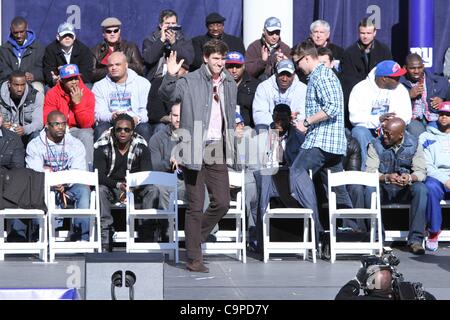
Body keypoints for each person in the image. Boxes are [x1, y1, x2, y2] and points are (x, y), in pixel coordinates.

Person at [159, 40, 237, 273]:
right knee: (195, 204)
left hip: (217, 146)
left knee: (222, 202)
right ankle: (194, 258)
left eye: (222, 59)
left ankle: (192, 241)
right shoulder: (190, 80)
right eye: (215, 58)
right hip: (193, 146)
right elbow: (167, 94)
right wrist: (170, 75)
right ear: (205, 58)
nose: (219, 63)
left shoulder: (229, 82)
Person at [290, 41, 353, 215]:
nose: (297, 67)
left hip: (322, 141)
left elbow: (332, 108)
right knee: (338, 190)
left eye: (297, 62)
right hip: (331, 144)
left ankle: (313, 227)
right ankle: (353, 230)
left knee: (297, 172)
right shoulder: (321, 76)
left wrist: (306, 122)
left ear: (308, 58)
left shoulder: (322, 76)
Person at [24, 110, 91, 242]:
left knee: (83, 190)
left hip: (69, 185)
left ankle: (82, 236)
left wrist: (64, 183)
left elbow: (78, 171)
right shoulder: (35, 145)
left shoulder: (75, 144)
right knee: (35, 190)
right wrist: (53, 183)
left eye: (63, 124)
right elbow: (35, 172)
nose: (61, 127)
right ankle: (41, 233)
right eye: (56, 124)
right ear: (47, 125)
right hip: (44, 186)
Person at [366, 117, 427, 254]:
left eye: (389, 133)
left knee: (421, 189)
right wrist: (386, 177)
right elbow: (370, 173)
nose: (385, 135)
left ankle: (416, 240)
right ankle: (377, 240)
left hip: (405, 188)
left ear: (401, 135)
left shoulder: (414, 144)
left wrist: (410, 177)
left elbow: (421, 171)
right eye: (384, 132)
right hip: (384, 186)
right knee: (370, 191)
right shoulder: (375, 144)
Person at [94, 113, 152, 252]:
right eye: (119, 129)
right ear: (113, 130)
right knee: (100, 190)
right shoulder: (102, 146)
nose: (123, 132)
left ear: (133, 132)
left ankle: (147, 234)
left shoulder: (141, 146)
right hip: (112, 186)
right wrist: (118, 185)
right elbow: (98, 176)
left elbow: (147, 174)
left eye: (127, 130)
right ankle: (105, 236)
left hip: (135, 186)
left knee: (152, 189)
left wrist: (133, 186)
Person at [349, 60, 411, 169]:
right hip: (369, 130)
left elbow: (406, 115)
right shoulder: (360, 89)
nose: (399, 80)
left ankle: (402, 171)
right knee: (358, 132)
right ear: (384, 78)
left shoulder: (400, 89)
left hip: (392, 129)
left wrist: (391, 123)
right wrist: (378, 120)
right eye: (396, 77)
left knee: (409, 130)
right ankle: (366, 173)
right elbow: (355, 117)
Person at [340, 17, 392, 126]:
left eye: (368, 33)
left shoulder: (384, 50)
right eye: (362, 33)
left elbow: (390, 74)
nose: (365, 36)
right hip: (359, 96)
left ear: (375, 33)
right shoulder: (349, 53)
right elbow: (348, 80)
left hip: (381, 96)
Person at [92, 51, 151, 142]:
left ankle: (143, 155)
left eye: (117, 64)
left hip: (135, 121)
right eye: (110, 65)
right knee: (101, 129)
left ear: (126, 65)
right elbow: (98, 113)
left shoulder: (142, 83)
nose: (114, 68)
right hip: (111, 122)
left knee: (144, 128)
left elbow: (145, 111)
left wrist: (136, 119)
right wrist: (111, 116)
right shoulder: (99, 86)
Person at [43, 64, 95, 166]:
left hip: (78, 130)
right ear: (61, 80)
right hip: (58, 129)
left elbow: (87, 124)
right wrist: (61, 128)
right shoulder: (52, 93)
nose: (74, 82)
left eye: (76, 78)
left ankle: (89, 173)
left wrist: (78, 105)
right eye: (69, 79)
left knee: (87, 135)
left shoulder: (87, 93)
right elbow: (47, 118)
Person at [419, 101, 450, 251]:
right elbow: (427, 165)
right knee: (430, 188)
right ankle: (433, 231)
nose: (444, 117)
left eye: (448, 115)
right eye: (441, 114)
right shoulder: (426, 136)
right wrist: (445, 180)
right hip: (437, 177)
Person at [400, 53, 449, 137]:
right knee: (419, 134)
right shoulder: (399, 84)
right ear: (405, 68)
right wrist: (408, 95)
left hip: (434, 117)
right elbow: (393, 104)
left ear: (423, 66)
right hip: (413, 120)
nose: (416, 71)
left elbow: (447, 100)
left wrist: (442, 100)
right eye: (412, 68)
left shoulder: (439, 81)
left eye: (419, 67)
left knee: (437, 133)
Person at [252, 59, 307, 130]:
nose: (284, 78)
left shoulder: (303, 89)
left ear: (293, 75)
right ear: (276, 73)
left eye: (288, 75)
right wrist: (278, 124)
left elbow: (303, 115)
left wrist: (289, 125)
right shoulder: (263, 87)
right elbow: (259, 115)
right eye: (281, 74)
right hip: (271, 129)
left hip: (293, 129)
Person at [142, 9, 194, 82]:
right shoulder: (150, 40)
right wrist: (161, 40)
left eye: (173, 23)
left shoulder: (184, 40)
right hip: (156, 79)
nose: (170, 26)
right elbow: (149, 60)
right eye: (167, 23)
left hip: (178, 79)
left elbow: (189, 60)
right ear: (161, 25)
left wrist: (173, 43)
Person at [91, 17, 144, 83]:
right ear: (104, 34)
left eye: (115, 31)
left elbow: (140, 69)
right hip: (104, 85)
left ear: (119, 32)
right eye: (108, 31)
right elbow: (91, 74)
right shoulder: (96, 50)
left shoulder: (130, 47)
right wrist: (111, 68)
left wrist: (123, 64)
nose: (112, 34)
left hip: (128, 84)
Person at [147, 54, 189, 137]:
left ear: (186, 71)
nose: (175, 70)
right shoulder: (158, 83)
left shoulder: (192, 85)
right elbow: (153, 112)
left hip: (187, 122)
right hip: (165, 123)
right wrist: (168, 118)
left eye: (178, 68)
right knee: (161, 128)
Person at [0, 16, 45, 93]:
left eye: (22, 32)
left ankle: (34, 106)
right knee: (3, 88)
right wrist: (17, 77)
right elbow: (3, 71)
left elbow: (43, 69)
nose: (19, 35)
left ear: (27, 28)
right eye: (16, 32)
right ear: (11, 30)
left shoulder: (39, 48)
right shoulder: (3, 49)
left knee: (38, 88)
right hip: (10, 82)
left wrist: (33, 75)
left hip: (31, 82)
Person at [43, 22, 93, 88]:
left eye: (70, 35)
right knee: (48, 88)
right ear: (58, 37)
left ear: (74, 37)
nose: (67, 38)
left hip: (78, 83)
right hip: (59, 83)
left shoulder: (84, 50)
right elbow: (48, 72)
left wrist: (69, 76)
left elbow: (87, 74)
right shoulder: (50, 50)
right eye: (64, 35)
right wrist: (54, 80)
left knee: (88, 87)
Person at [0, 70, 43, 145]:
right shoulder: (1, 96)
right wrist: (1, 125)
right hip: (4, 134)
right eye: (16, 85)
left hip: (27, 134)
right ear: (9, 84)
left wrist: (24, 129)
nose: (19, 89)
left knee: (37, 134)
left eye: (23, 85)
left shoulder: (36, 96)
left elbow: (39, 123)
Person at [245, 17, 291, 81]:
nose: (274, 37)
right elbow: (248, 72)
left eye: (277, 33)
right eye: (271, 33)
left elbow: (291, 74)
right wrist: (262, 61)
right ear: (264, 31)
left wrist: (285, 62)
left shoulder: (285, 49)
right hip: (257, 85)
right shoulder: (254, 47)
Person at [225, 51, 260, 128]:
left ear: (243, 66)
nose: (234, 70)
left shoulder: (255, 85)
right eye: (230, 66)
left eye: (238, 66)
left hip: (248, 129)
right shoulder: (218, 84)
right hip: (225, 128)